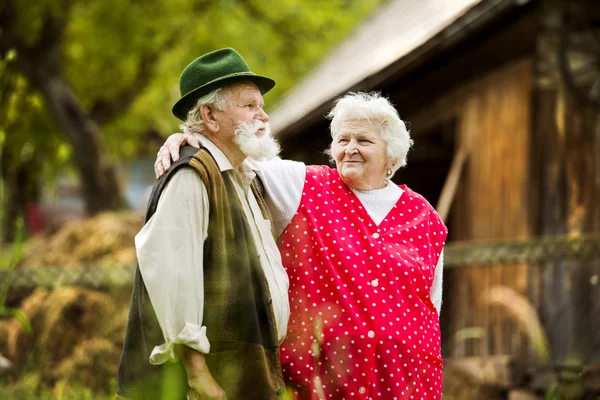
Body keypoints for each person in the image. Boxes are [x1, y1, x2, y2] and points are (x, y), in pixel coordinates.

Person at [156, 92, 448, 399]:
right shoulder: (303, 185)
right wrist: (189, 139)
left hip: (407, 382)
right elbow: (232, 152)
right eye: (342, 139)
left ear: (392, 153)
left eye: (363, 140)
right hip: (318, 384)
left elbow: (431, 303)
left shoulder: (423, 216)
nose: (350, 149)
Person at [116, 48, 290, 400]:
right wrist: (198, 376)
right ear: (210, 116)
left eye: (261, 105)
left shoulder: (247, 175)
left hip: (243, 370)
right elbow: (172, 274)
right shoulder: (191, 176)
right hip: (207, 383)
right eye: (250, 105)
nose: (264, 117)